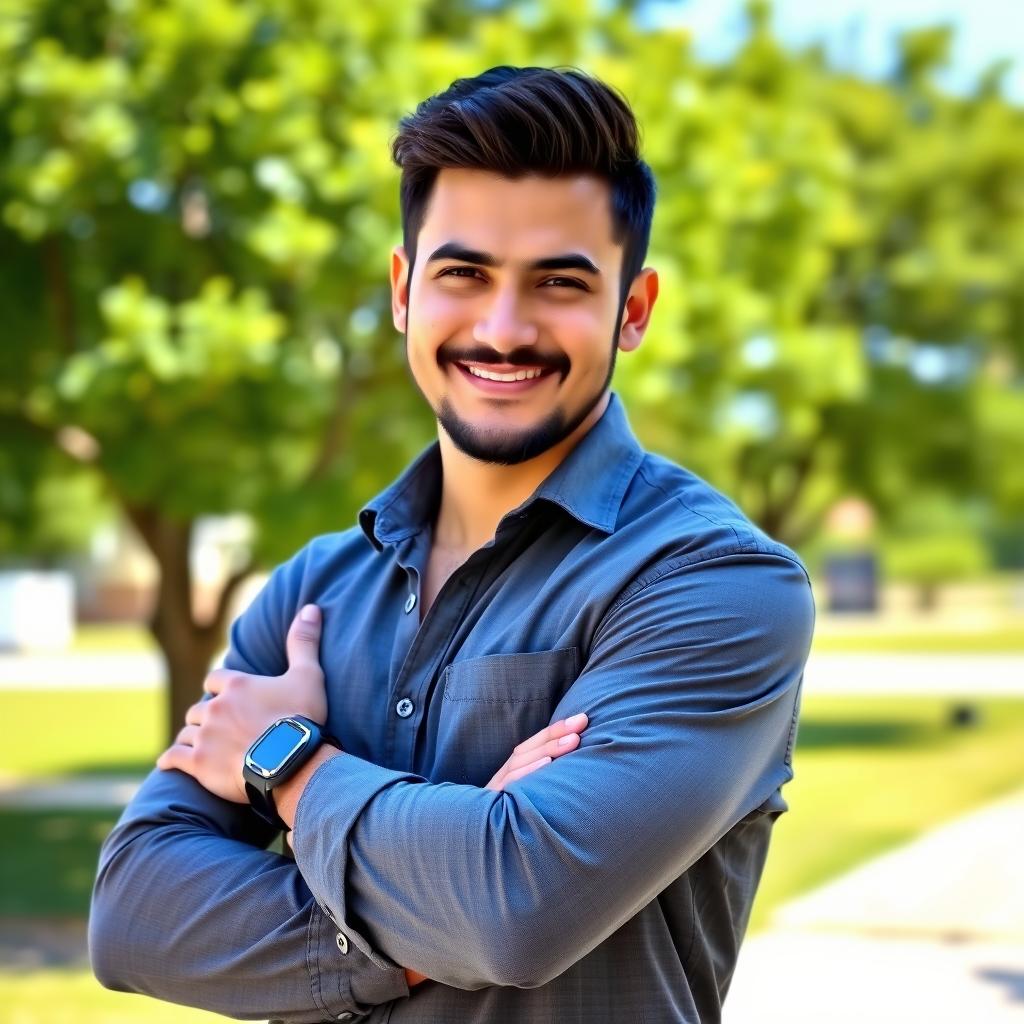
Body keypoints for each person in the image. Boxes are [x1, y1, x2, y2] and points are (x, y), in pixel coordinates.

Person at [89, 65, 814, 1023]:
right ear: (402, 290)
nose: (503, 330)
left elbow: (510, 915)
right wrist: (441, 901)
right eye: (463, 273)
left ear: (632, 310)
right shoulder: (313, 590)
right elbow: (134, 914)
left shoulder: (715, 583)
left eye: (559, 283)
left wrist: (286, 765)